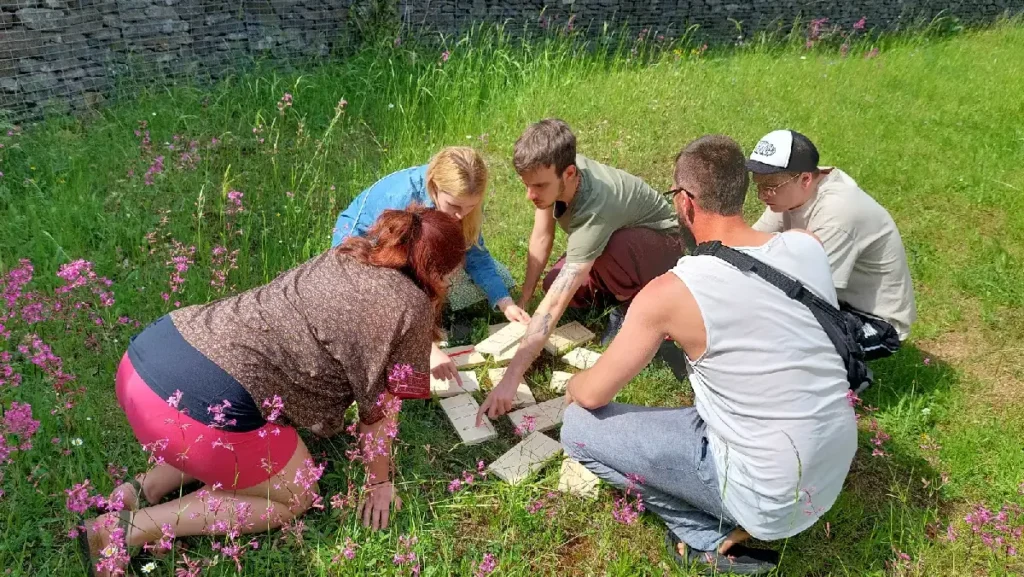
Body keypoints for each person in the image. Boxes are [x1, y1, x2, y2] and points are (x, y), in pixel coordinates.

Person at [80, 207, 465, 576]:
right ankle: (128, 529)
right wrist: (379, 482)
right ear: (439, 270)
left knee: (215, 412)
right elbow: (380, 411)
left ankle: (138, 489)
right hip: (202, 403)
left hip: (148, 361)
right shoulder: (411, 304)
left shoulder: (346, 253)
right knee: (294, 495)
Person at [560, 135, 857, 575]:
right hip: (832, 467)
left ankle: (705, 540)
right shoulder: (806, 246)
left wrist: (572, 385)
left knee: (577, 427)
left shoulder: (672, 292)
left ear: (685, 202)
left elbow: (591, 395)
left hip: (767, 496)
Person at [478, 119, 684, 422]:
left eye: (538, 186)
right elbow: (542, 236)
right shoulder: (554, 171)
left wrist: (510, 380)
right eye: (526, 185)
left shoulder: (596, 206)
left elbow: (556, 305)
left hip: (662, 249)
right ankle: (613, 292)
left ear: (570, 173)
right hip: (614, 241)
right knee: (553, 283)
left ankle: (630, 304)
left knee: (607, 254)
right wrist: (525, 297)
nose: (530, 195)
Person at [747, 129, 916, 359]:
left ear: (805, 179)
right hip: (838, 300)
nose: (762, 195)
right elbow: (751, 244)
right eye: (758, 185)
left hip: (875, 321)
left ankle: (835, 390)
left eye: (770, 186)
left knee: (784, 335)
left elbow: (809, 294)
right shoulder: (792, 194)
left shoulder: (837, 214)